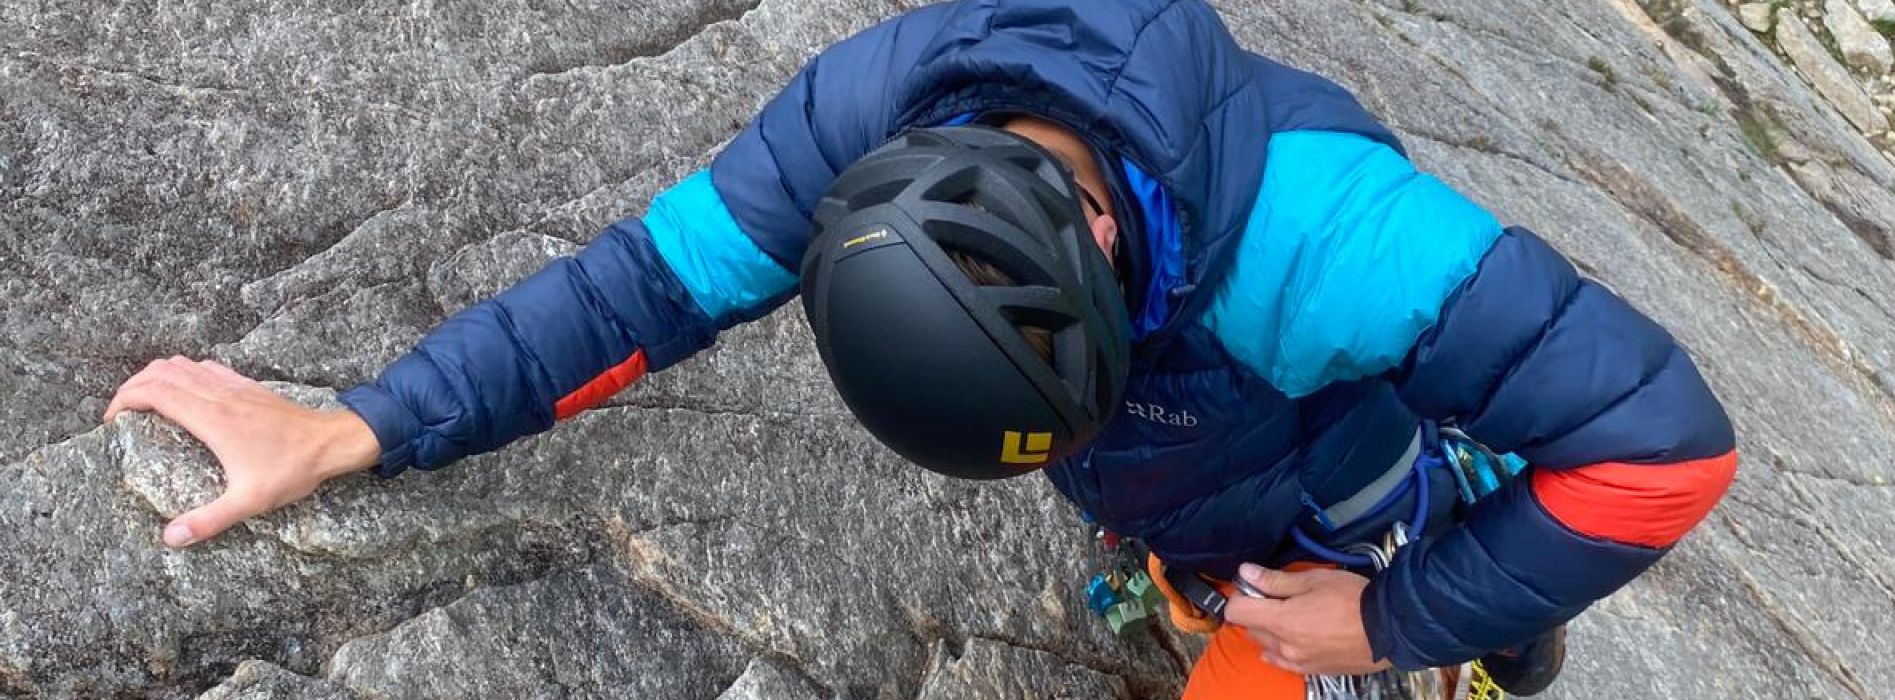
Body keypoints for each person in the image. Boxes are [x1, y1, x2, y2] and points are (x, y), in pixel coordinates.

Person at [103, 1, 1739, 697]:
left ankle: (1496, 627)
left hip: (1337, 485)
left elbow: (1667, 450)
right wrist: (359, 427)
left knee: (1422, 549)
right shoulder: (868, 121)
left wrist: (1384, 620)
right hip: (1192, 464)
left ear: (1104, 245)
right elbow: (628, 298)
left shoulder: (1325, 241)